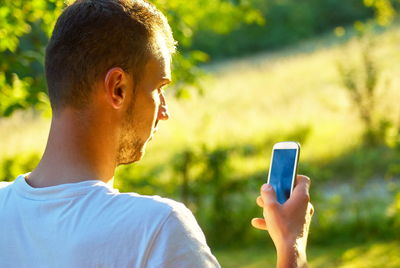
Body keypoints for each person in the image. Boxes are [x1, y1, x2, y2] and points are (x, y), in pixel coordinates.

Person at [0, 0, 313, 267]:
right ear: (118, 89)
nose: (164, 111)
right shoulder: (156, 229)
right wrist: (291, 248)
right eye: (158, 88)